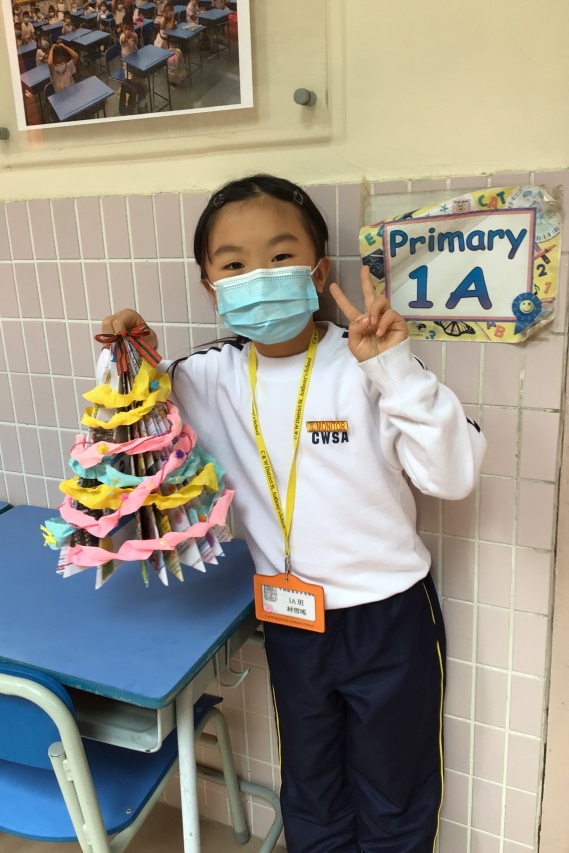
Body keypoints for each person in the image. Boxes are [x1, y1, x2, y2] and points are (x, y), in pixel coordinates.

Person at [100, 174, 486, 852]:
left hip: (387, 615)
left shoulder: (367, 362)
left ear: (319, 270)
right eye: (234, 265)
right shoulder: (204, 377)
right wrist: (126, 356)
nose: (259, 276)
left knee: (396, 789)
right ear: (210, 287)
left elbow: (453, 476)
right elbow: (131, 447)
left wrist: (395, 370)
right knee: (311, 786)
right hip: (289, 617)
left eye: (280, 256)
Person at [118, 23, 148, 113]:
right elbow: (123, 40)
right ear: (123, 29)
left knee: (142, 83)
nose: (127, 31)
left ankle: (141, 101)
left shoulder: (134, 35)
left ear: (132, 28)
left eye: (129, 28)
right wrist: (126, 38)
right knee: (136, 84)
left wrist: (133, 38)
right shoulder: (122, 37)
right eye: (125, 28)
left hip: (136, 63)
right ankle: (137, 104)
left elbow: (135, 41)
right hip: (127, 66)